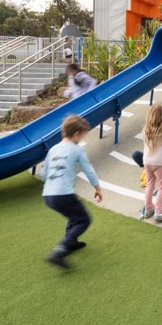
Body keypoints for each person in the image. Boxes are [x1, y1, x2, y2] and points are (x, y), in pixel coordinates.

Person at [40, 114, 104, 268]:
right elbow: (88, 170)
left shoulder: (53, 149)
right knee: (84, 219)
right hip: (63, 194)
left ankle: (72, 242)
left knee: (73, 215)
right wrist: (97, 187)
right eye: (82, 136)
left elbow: (44, 173)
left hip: (48, 195)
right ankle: (61, 250)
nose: (81, 139)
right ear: (77, 134)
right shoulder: (77, 149)